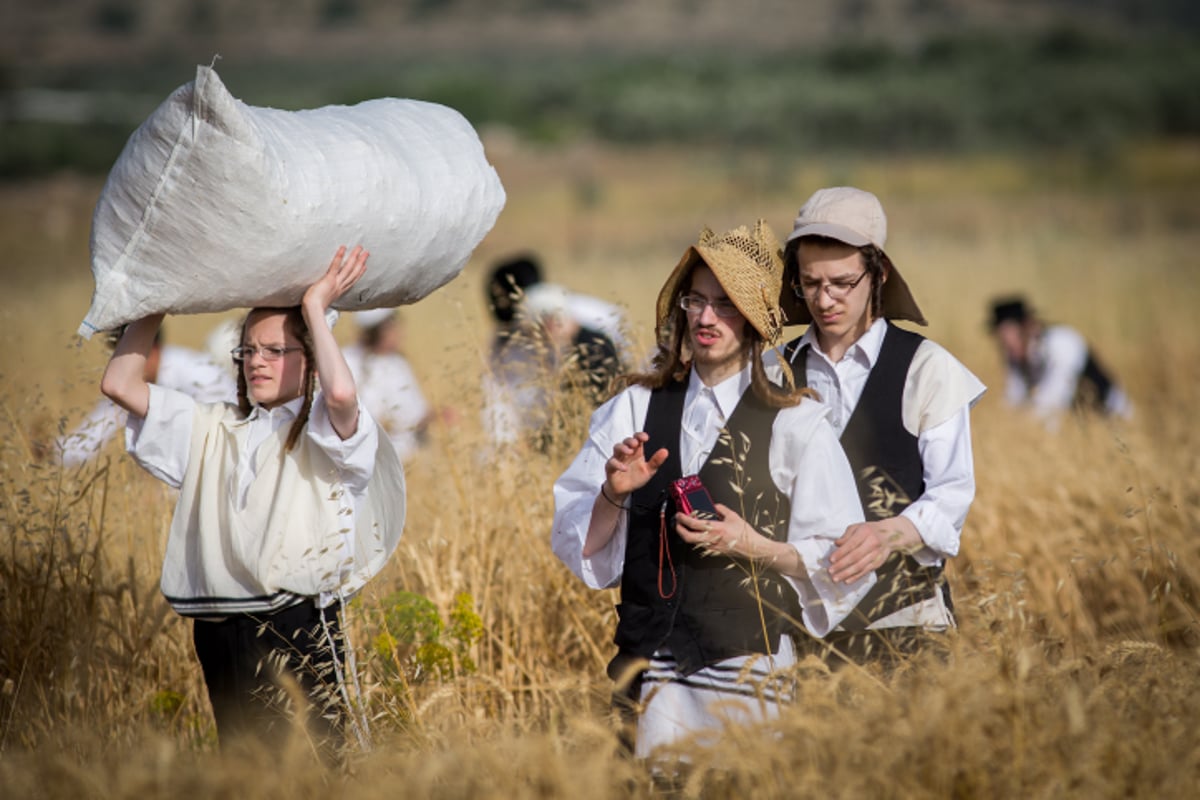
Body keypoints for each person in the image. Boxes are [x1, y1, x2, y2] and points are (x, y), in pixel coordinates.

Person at [550, 221, 872, 760]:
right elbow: (578, 544)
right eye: (695, 301)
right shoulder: (632, 408)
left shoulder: (797, 424)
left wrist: (754, 547)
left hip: (749, 680)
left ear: (753, 320)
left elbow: (845, 561)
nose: (704, 318)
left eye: (725, 304)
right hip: (646, 674)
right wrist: (614, 493)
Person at [99, 245, 405, 756]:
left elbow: (343, 397)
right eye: (248, 351)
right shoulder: (212, 425)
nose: (256, 362)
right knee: (245, 772)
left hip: (297, 624)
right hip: (219, 628)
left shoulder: (325, 433)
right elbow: (119, 382)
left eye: (275, 350)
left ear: (308, 360)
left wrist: (314, 308)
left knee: (316, 768)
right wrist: (158, 298)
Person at [772, 186, 986, 667]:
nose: (824, 300)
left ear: (879, 272)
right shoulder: (771, 372)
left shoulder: (928, 368)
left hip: (907, 630)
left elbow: (951, 495)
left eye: (842, 283)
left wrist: (888, 534)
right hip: (796, 631)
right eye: (809, 283)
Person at [57, 327, 235, 467]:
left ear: (151, 347)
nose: (118, 365)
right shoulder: (127, 383)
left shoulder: (202, 376)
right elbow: (91, 438)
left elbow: (215, 445)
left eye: (124, 357)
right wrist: (52, 451)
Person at [989, 295, 1132, 426]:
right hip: (1075, 424)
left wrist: (1021, 426)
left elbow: (1053, 400)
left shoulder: (1063, 342)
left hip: (1111, 419)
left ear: (1028, 326)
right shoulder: (1015, 355)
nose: (1008, 346)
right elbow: (1014, 396)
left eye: (1012, 337)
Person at [341, 307, 434, 462]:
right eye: (392, 327)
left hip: (406, 457)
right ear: (378, 332)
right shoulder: (347, 360)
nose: (399, 333)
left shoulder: (397, 363)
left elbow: (415, 414)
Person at [523, 282, 624, 409]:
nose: (538, 338)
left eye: (537, 330)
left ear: (549, 323)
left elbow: (592, 401)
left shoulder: (592, 348)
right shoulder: (575, 344)